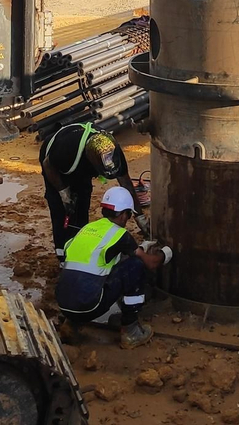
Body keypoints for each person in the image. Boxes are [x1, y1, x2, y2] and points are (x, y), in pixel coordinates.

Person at [55, 186, 169, 348]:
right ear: (123, 215)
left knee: (86, 276)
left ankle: (71, 324)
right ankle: (131, 331)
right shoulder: (120, 235)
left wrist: (138, 248)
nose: (127, 218)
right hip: (91, 307)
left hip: (63, 304)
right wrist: (166, 253)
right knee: (135, 266)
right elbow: (150, 263)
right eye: (128, 215)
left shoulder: (87, 229)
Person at [40, 121, 136, 256]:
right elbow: (48, 166)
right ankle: (62, 253)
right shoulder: (65, 150)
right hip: (55, 168)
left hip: (82, 166)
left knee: (82, 200)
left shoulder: (113, 150)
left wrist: (140, 216)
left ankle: (80, 242)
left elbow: (126, 183)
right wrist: (64, 193)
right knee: (60, 209)